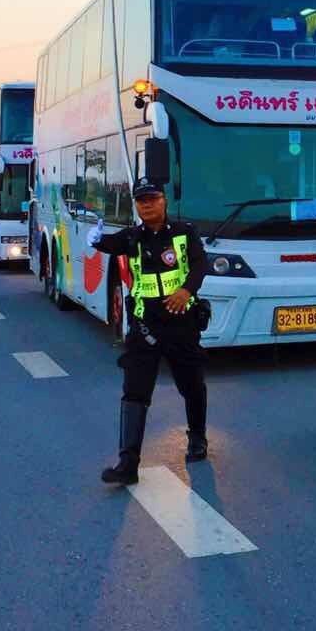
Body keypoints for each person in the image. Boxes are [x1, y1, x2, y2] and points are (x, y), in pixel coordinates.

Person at [87, 177, 211, 485]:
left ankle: (197, 437)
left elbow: (199, 265)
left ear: (164, 200)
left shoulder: (185, 232)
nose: (147, 204)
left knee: (192, 385)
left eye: (152, 198)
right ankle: (128, 463)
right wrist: (95, 239)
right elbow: (108, 244)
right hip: (145, 325)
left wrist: (186, 291)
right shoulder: (131, 237)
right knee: (135, 391)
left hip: (181, 322)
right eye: (141, 200)